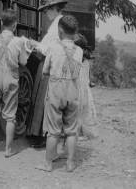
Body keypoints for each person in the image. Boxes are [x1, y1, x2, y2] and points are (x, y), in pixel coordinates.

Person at [0, 8, 34, 157]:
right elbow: (23, 61)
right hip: (11, 78)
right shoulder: (19, 41)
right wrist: (28, 48)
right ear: (15, 25)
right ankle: (8, 149)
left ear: (1, 22)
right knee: (10, 116)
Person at [35, 15, 83, 172]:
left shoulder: (54, 48)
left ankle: (48, 164)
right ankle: (70, 163)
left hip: (56, 93)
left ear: (60, 31)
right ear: (75, 32)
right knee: (71, 130)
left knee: (53, 131)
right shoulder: (80, 51)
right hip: (73, 93)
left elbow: (45, 71)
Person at [27, 0, 67, 148]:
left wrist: (35, 44)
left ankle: (43, 136)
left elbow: (51, 48)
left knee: (45, 100)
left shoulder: (58, 24)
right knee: (41, 99)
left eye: (47, 9)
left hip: (50, 64)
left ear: (55, 8)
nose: (46, 13)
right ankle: (39, 134)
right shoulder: (56, 23)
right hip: (47, 63)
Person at [75, 34, 98, 140]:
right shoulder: (87, 61)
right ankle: (80, 132)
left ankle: (78, 133)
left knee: (78, 111)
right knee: (83, 111)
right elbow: (88, 77)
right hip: (84, 89)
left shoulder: (76, 59)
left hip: (78, 88)